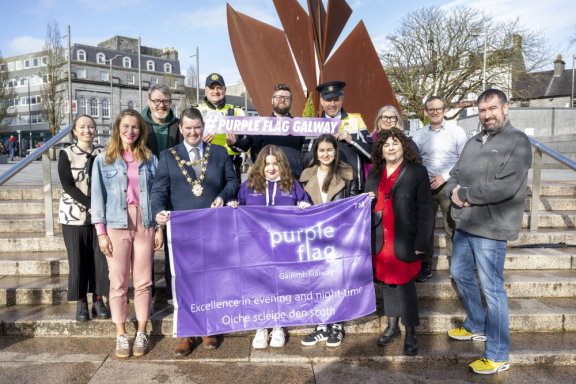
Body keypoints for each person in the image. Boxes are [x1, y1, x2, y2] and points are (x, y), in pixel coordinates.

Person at [446, 89, 532, 375]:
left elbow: (507, 185)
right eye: (482, 110)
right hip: (465, 224)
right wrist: (453, 193)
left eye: (492, 108)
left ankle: (497, 354)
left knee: (492, 290)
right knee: (459, 273)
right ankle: (476, 324)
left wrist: (467, 194)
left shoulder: (517, 141)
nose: (487, 115)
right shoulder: (473, 141)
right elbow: (454, 175)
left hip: (491, 227)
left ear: (505, 108)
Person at [151, 107, 240, 356]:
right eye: (188, 128)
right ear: (180, 129)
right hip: (182, 230)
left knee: (211, 277)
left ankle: (209, 327)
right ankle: (188, 333)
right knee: (185, 281)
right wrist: (157, 212)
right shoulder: (168, 156)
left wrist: (223, 196)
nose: (193, 132)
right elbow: (159, 191)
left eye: (197, 127)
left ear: (203, 127)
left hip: (213, 228)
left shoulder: (220, 153)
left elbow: (233, 182)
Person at [92, 109, 162, 358]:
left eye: (135, 127)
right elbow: (98, 198)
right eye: (126, 126)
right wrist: (101, 233)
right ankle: (121, 335)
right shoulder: (103, 160)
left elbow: (158, 195)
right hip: (116, 224)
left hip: (145, 223)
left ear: (140, 131)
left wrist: (159, 227)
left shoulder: (150, 159)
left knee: (143, 282)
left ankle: (141, 331)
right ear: (118, 129)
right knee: (118, 282)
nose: (130, 131)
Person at [227, 145, 310, 349]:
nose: (271, 168)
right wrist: (233, 205)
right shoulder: (248, 186)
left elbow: (307, 210)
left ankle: (278, 326)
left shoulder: (293, 186)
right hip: (255, 250)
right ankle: (261, 327)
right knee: (258, 287)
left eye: (275, 164)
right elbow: (238, 211)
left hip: (284, 250)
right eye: (267, 164)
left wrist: (304, 206)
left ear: (282, 166)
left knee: (280, 287)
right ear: (260, 166)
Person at [365, 128, 433, 356]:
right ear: (380, 150)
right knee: (387, 284)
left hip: (404, 239)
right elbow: (366, 204)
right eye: (386, 145)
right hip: (380, 239)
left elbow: (426, 210)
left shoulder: (417, 172)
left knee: (406, 286)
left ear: (403, 146)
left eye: (395, 143)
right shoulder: (374, 174)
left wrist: (422, 243)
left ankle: (411, 331)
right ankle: (392, 327)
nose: (391, 148)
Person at [298, 133, 359, 347]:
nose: (325, 154)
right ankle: (320, 326)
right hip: (314, 237)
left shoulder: (348, 173)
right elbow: (299, 203)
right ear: (316, 152)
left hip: (338, 236)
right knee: (317, 281)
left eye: (329, 150)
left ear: (336, 151)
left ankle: (338, 326)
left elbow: (353, 204)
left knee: (337, 281)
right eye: (321, 150)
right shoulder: (305, 175)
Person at [58, 115, 110, 322]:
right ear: (74, 131)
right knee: (78, 260)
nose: (87, 130)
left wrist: (100, 208)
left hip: (101, 217)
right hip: (73, 217)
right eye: (82, 127)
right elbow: (68, 186)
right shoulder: (66, 153)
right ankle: (81, 303)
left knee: (100, 260)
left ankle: (98, 300)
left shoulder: (104, 152)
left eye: (91, 126)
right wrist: (91, 205)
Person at [411, 97, 468, 282]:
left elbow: (464, 159)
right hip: (425, 187)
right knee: (425, 228)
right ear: (426, 112)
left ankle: (455, 266)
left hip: (449, 185)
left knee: (452, 227)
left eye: (438, 109)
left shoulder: (457, 131)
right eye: (431, 109)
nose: (435, 112)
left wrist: (444, 176)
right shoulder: (419, 134)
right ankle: (425, 265)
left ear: (445, 110)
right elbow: (415, 161)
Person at [142, 83, 183, 305]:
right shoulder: (138, 124)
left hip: (173, 191)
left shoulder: (179, 125)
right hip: (145, 188)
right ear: (149, 102)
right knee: (145, 245)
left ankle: (171, 291)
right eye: (156, 101)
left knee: (171, 245)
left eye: (165, 101)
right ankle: (146, 291)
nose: (161, 105)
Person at [301, 81, 372, 191]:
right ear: (321, 101)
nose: (332, 104)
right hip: (322, 191)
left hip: (352, 190)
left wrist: (351, 140)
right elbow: (305, 162)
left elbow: (372, 154)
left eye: (336, 99)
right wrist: (320, 142)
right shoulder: (314, 125)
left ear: (342, 100)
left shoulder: (357, 121)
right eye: (328, 100)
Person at [229, 84, 306, 179]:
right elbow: (248, 147)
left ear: (291, 101)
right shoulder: (260, 126)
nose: (282, 100)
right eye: (279, 97)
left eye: (286, 98)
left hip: (294, 180)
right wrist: (235, 143)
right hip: (266, 181)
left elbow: (306, 154)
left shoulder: (300, 126)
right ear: (272, 100)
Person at [195, 73, 248, 179]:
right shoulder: (196, 111)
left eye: (219, 88)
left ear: (225, 89)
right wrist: (200, 143)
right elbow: (185, 143)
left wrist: (235, 143)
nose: (216, 91)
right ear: (205, 90)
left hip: (231, 165)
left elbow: (247, 144)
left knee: (231, 195)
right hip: (204, 165)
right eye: (212, 88)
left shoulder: (238, 111)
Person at [365, 106, 420, 180]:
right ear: (379, 120)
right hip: (374, 183)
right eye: (384, 117)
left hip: (401, 184)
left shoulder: (407, 142)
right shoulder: (369, 141)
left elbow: (417, 164)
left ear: (397, 120)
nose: (388, 121)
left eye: (392, 118)